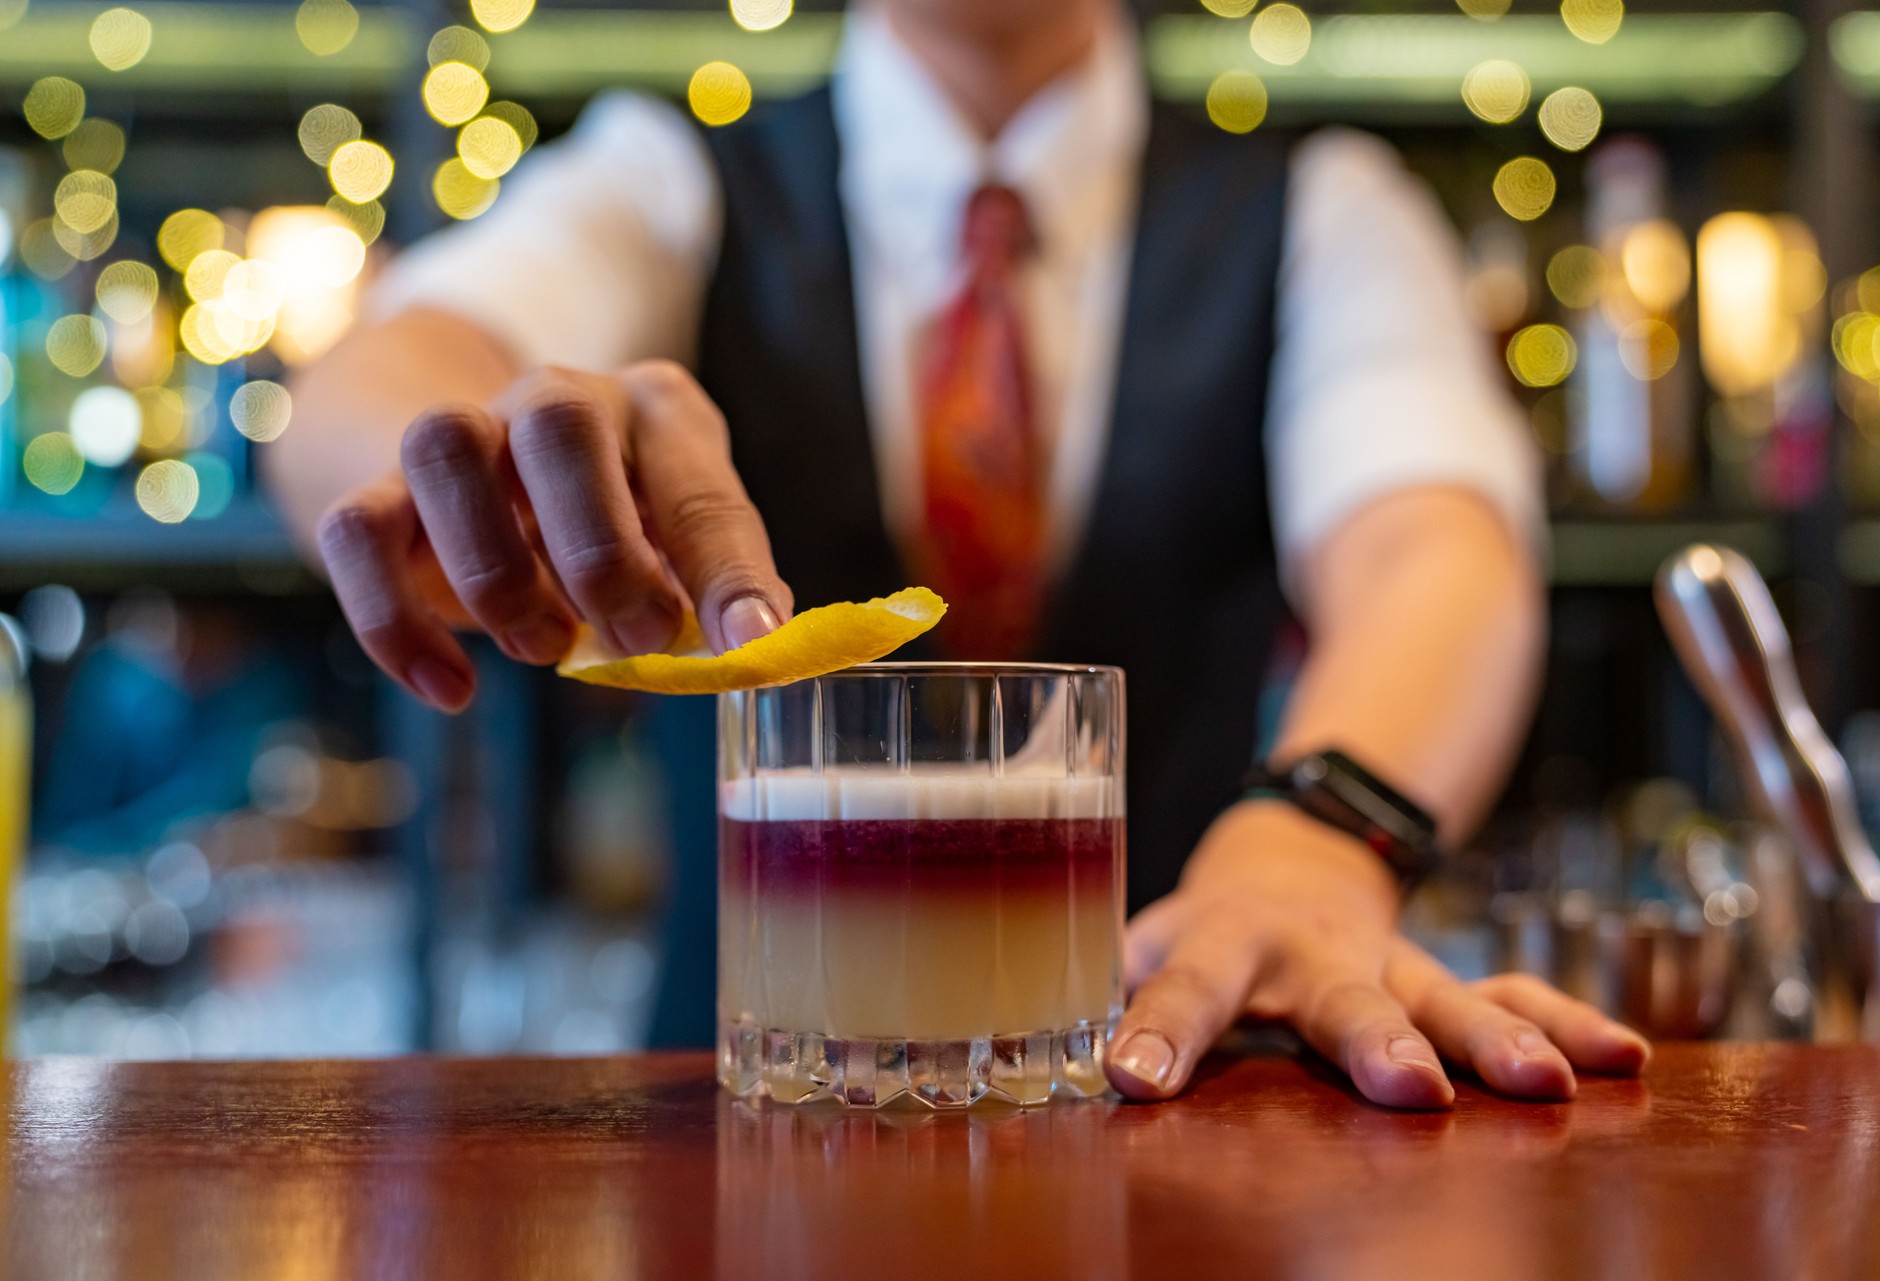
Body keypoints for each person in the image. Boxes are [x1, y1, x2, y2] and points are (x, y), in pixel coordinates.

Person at [269, 0, 1653, 1106]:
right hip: (750, 1124)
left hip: (1173, 1101)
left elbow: (1437, 550)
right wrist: (461, 464)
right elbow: (375, 386)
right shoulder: (669, 173)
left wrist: (1320, 836)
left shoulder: (1321, 207)